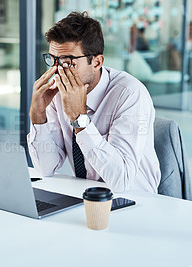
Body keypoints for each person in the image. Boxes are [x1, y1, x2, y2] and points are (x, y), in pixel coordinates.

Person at [27, 12, 161, 193]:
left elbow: (121, 180)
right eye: (53, 60)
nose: (57, 71)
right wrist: (38, 114)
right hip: (88, 198)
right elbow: (46, 167)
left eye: (68, 62)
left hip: (134, 201)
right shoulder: (58, 94)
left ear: (97, 62)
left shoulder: (130, 94)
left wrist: (79, 119)